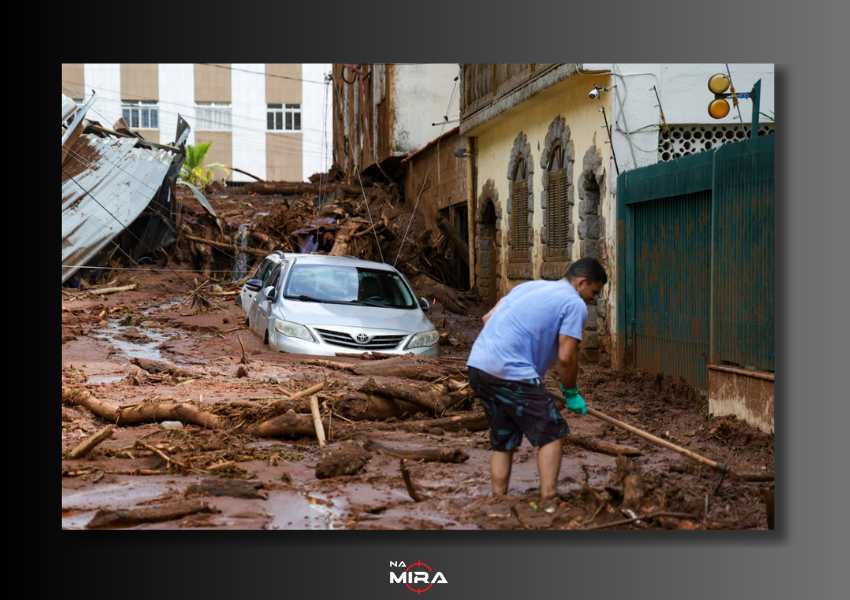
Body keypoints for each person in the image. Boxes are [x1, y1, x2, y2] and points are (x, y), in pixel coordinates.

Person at [466, 257, 608, 501]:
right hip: (512, 372)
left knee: (504, 438)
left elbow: (488, 319)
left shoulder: (529, 287)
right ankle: (549, 500)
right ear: (581, 282)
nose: (593, 298)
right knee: (552, 433)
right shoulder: (574, 304)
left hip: (479, 366)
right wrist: (571, 393)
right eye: (594, 291)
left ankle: (499, 499)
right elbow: (566, 357)